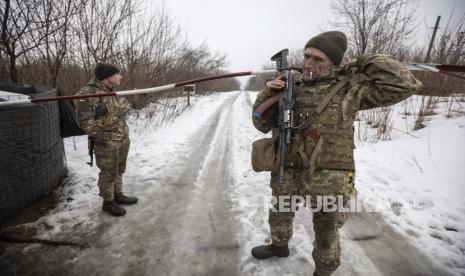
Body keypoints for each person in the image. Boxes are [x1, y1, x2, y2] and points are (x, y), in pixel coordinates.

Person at [251, 31, 422, 275]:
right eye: (307, 56)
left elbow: (406, 84)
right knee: (279, 211)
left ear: (335, 62)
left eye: (318, 59)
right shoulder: (290, 86)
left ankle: (323, 271)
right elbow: (261, 124)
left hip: (330, 177)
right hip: (287, 167)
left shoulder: (350, 90)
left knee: (326, 232)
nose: (308, 63)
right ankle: (279, 245)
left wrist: (364, 61)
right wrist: (268, 93)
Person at [75, 62, 137, 216]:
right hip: (107, 142)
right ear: (108, 76)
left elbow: (117, 113)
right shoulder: (87, 94)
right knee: (108, 172)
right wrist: (103, 138)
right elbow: (84, 123)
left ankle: (118, 194)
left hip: (121, 139)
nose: (121, 76)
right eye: (118, 74)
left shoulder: (110, 91)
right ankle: (108, 202)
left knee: (119, 169)